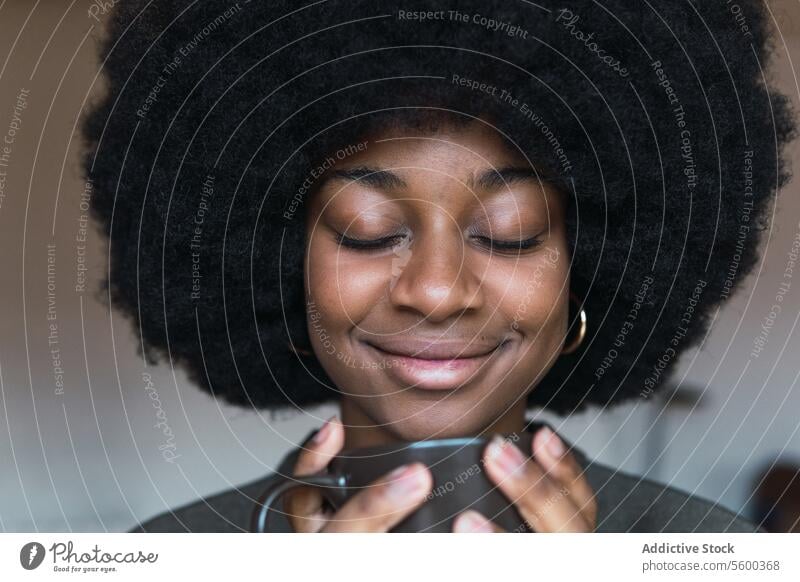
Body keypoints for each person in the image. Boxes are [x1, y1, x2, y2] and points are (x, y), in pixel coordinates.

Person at [82, 0, 797, 532]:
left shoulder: (709, 547)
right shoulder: (167, 551)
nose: (434, 290)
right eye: (368, 231)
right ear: (279, 263)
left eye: (510, 232)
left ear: (587, 269)